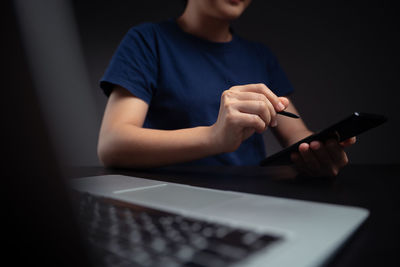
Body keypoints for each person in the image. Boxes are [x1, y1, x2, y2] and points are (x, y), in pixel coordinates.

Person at [97, 0, 356, 177]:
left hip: (250, 201)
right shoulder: (147, 41)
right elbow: (113, 145)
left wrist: (319, 149)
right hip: (171, 199)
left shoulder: (259, 56)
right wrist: (214, 138)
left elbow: (295, 133)